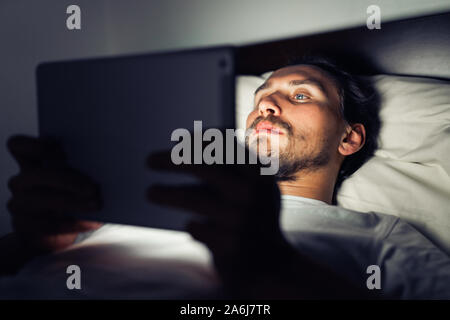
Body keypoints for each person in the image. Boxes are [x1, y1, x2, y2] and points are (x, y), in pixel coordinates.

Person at [2, 57, 450, 299]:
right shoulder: (140, 199)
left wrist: (276, 268)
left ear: (349, 137)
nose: (266, 107)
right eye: (262, 98)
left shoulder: (382, 236)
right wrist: (29, 245)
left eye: (299, 94)